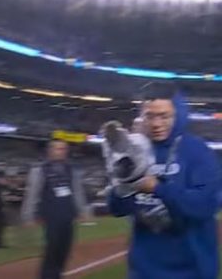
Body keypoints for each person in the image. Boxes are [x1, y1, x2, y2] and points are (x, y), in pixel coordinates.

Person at [108, 86, 220, 279]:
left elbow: (204, 205)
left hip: (192, 270)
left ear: (179, 114)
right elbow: (117, 208)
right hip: (144, 270)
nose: (156, 123)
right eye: (150, 116)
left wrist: (158, 188)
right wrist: (125, 182)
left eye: (164, 116)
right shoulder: (134, 150)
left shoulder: (198, 152)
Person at [21, 139, 90, 279]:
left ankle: (57, 275)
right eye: (58, 148)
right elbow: (32, 194)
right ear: (50, 151)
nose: (62, 151)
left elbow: (78, 192)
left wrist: (83, 211)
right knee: (52, 249)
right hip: (51, 216)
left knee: (64, 249)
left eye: (64, 149)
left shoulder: (72, 170)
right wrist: (28, 216)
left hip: (68, 216)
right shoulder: (40, 170)